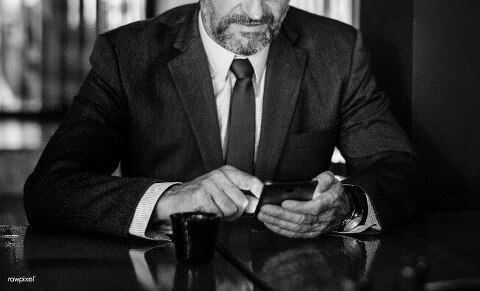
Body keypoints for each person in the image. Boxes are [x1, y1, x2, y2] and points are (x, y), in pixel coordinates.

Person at [24, 0, 423, 240]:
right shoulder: (127, 56)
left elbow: (397, 168)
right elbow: (50, 188)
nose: (255, 12)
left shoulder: (339, 51)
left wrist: (348, 205)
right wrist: (166, 199)